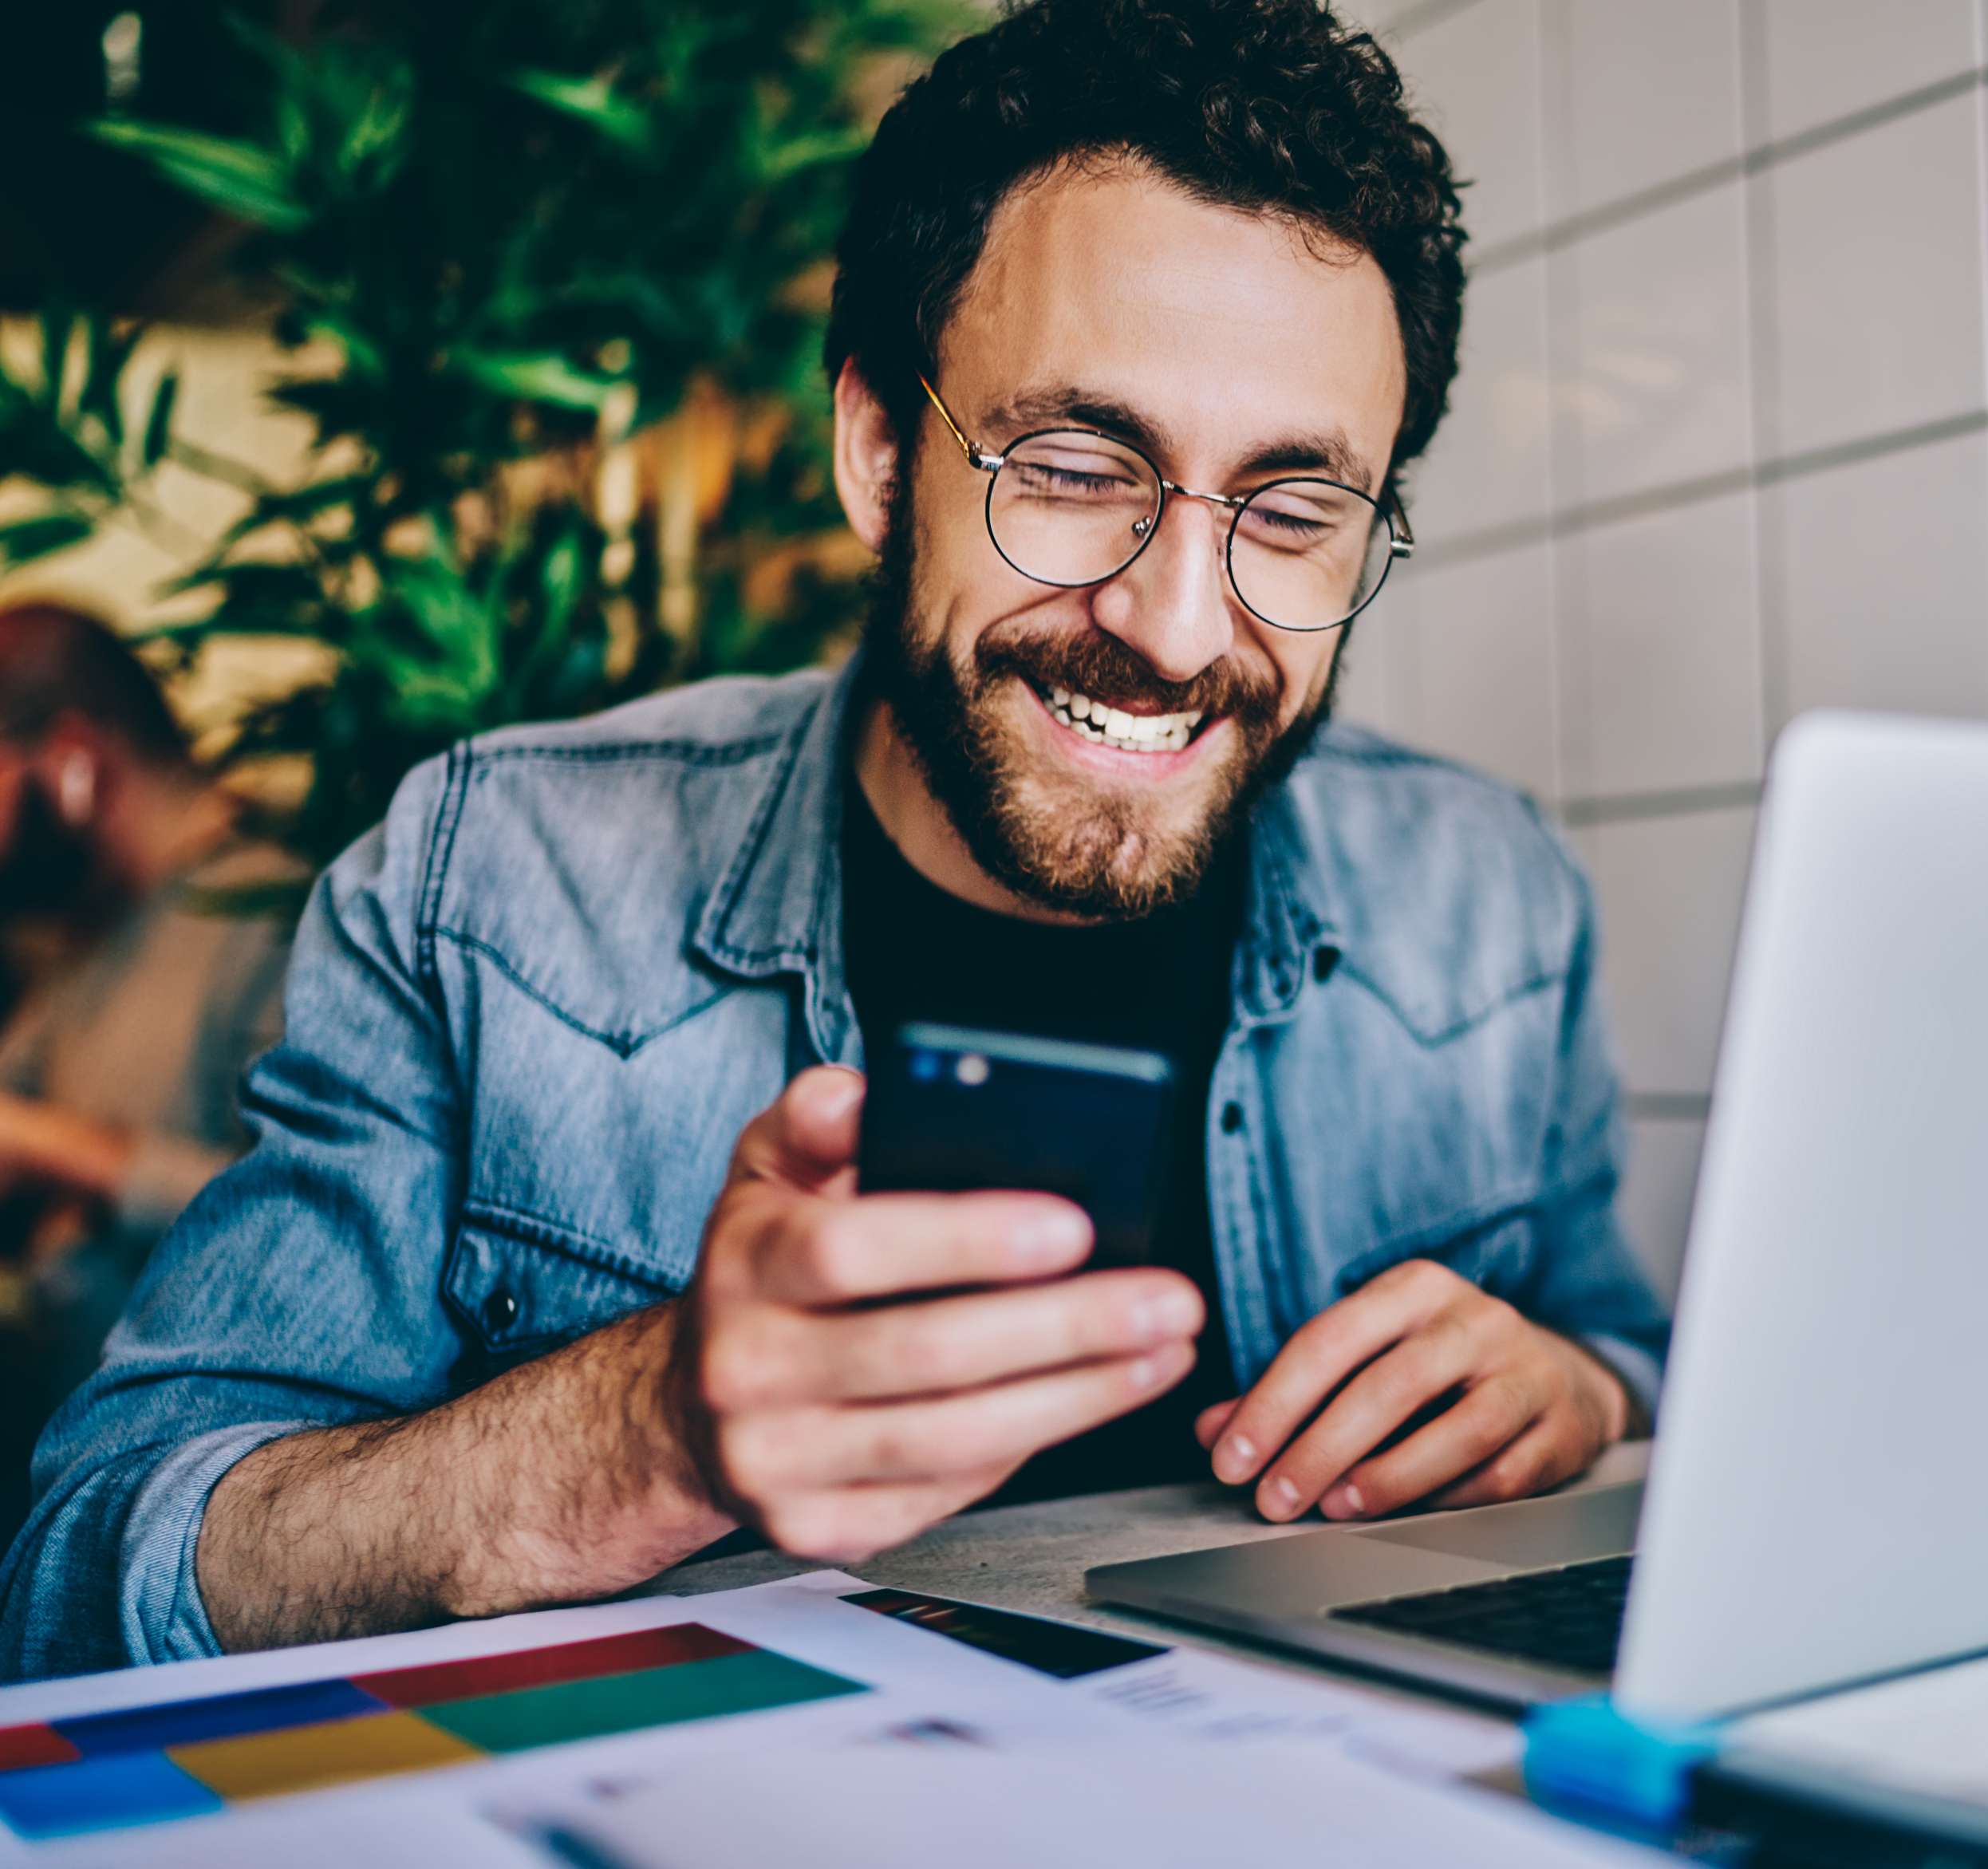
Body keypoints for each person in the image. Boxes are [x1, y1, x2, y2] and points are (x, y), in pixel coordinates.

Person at [0, 0, 1668, 1682]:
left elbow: (1630, 1358)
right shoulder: (487, 883)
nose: (1176, 628)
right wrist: (644, 1428)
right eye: (1080, 466)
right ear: (882, 453)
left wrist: (1581, 1393)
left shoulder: (1490, 902)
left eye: (1294, 515)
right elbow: (91, 1569)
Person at [0, 603, 296, 1544]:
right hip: (62, 1497)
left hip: (204, 1519)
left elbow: (296, 1217)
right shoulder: (80, 934)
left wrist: (64, 1154)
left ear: (73, 757)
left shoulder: (274, 914)